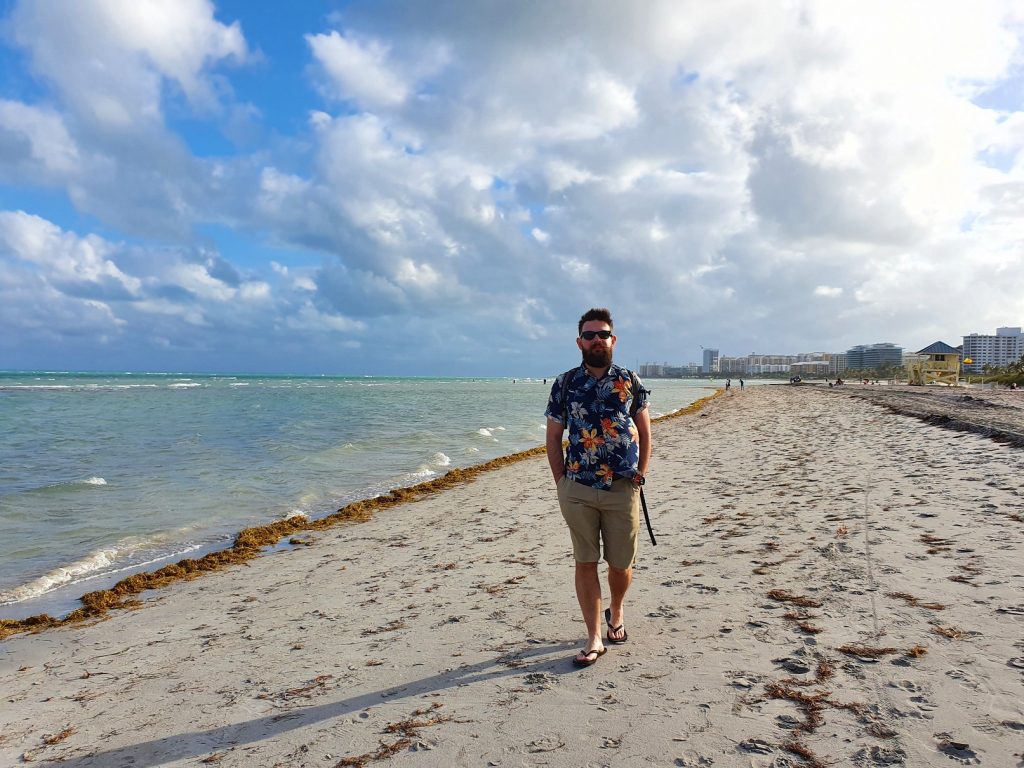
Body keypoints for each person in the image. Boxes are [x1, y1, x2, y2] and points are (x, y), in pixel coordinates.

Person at [545, 308, 651, 667]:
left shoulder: (629, 381)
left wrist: (641, 473)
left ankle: (616, 612)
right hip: (577, 486)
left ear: (612, 340)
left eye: (602, 334)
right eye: (589, 335)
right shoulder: (564, 384)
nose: (596, 340)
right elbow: (553, 435)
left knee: (620, 564)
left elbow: (646, 430)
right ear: (579, 342)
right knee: (585, 562)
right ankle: (593, 637)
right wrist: (561, 481)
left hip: (622, 487)